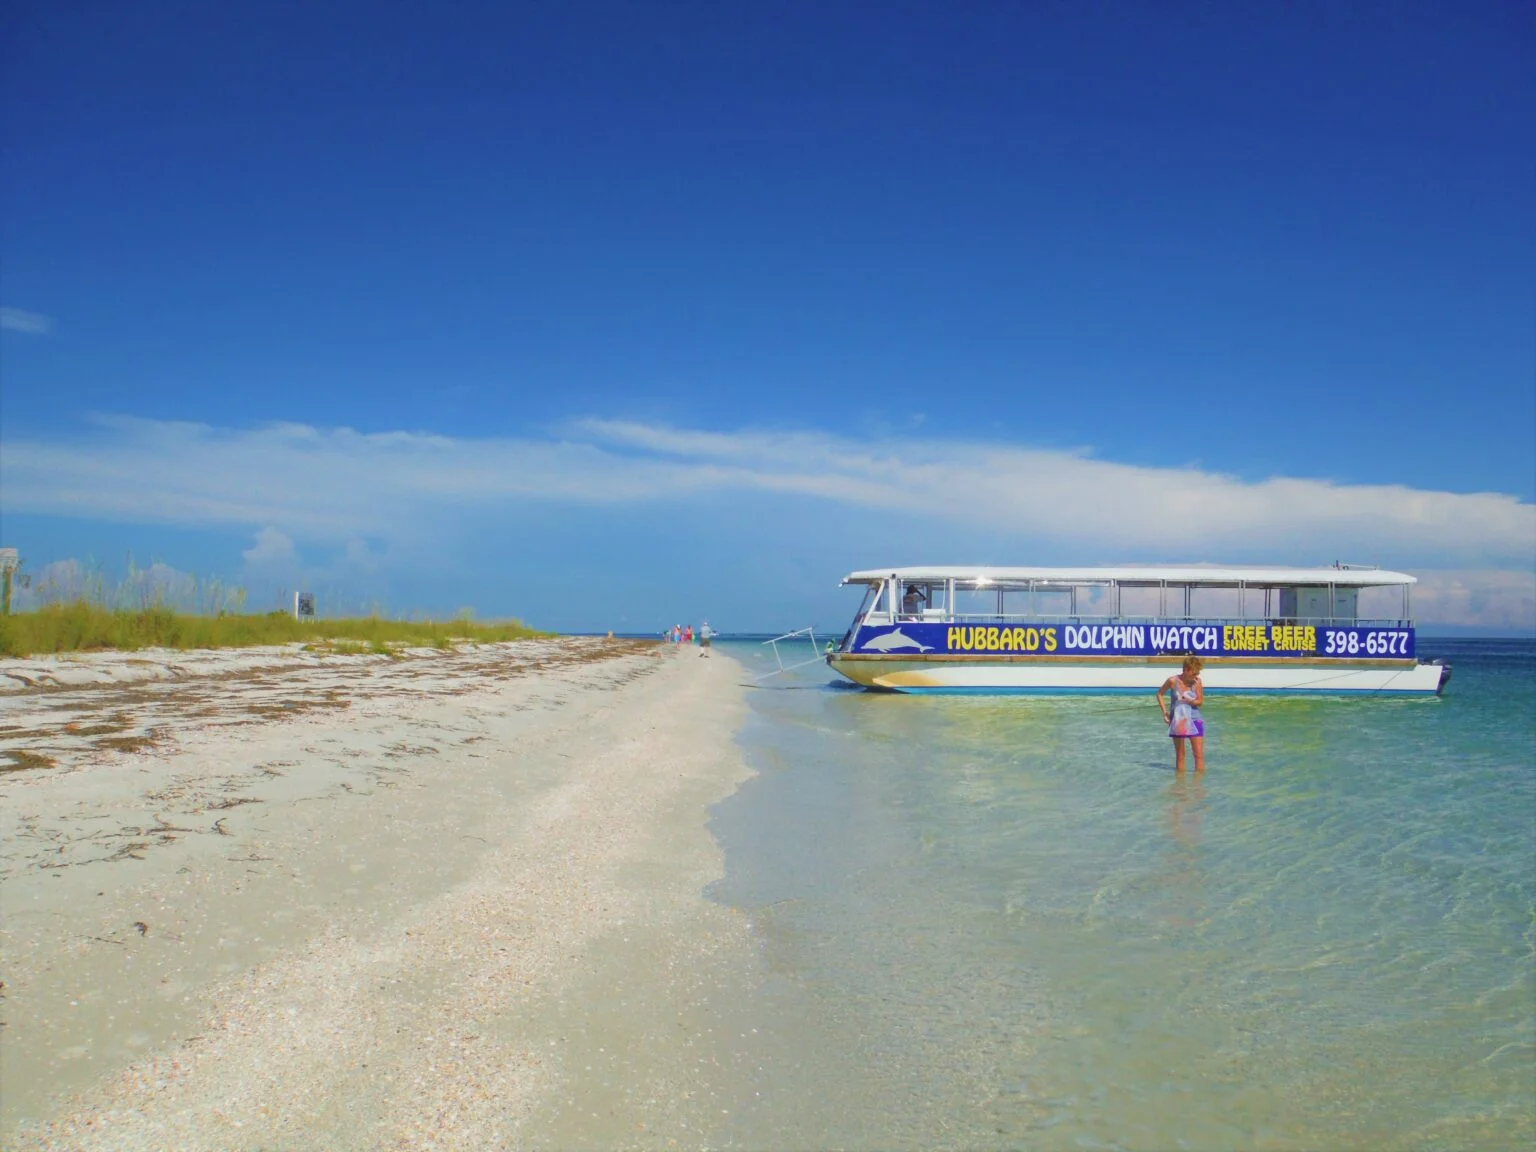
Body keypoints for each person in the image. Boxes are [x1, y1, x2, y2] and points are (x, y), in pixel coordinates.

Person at [1156, 656, 1206, 773]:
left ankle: (1198, 787)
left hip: (1194, 718)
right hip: (1178, 720)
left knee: (1198, 755)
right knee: (1180, 755)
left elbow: (1200, 701)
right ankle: (1180, 788)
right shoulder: (1173, 681)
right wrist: (1164, 713)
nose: (1196, 676)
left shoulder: (1197, 681)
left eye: (1197, 673)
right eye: (1194, 673)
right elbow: (1159, 694)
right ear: (1186, 670)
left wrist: (1191, 701)